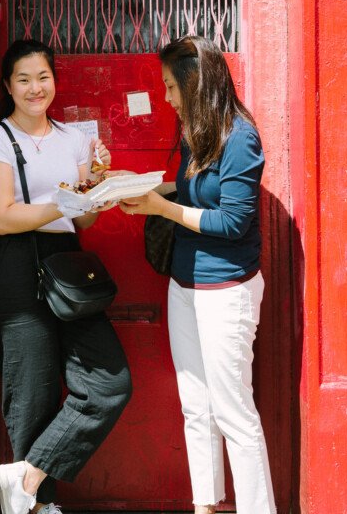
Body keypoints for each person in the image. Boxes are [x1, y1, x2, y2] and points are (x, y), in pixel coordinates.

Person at [118, 36, 276, 514]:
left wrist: (162, 209)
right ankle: (205, 506)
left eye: (170, 86)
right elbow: (191, 191)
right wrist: (136, 188)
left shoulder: (240, 138)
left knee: (234, 413)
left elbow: (231, 222)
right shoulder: (195, 130)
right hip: (184, 285)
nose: (165, 97)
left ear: (194, 83)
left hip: (225, 290)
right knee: (195, 406)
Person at [0, 39, 132, 514]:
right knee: (32, 391)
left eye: (42, 77)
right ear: (8, 86)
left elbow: (81, 221)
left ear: (54, 82)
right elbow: (2, 217)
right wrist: (63, 203)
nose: (34, 88)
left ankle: (26, 479)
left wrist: (98, 188)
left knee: (110, 383)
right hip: (12, 265)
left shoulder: (74, 140)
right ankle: (40, 506)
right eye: (23, 79)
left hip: (66, 262)